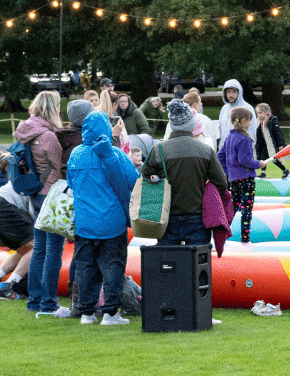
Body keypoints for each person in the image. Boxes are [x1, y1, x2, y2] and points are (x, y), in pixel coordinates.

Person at [67, 111, 139, 325]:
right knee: (113, 267)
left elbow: (71, 183)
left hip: (84, 222)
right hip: (112, 221)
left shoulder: (75, 154)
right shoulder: (114, 154)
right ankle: (110, 312)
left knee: (85, 268)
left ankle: (87, 312)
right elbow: (134, 181)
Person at [143, 99, 229, 246]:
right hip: (198, 217)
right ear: (191, 124)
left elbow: (145, 180)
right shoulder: (205, 150)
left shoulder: (158, 150)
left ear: (171, 125)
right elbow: (222, 184)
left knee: (168, 265)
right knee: (197, 264)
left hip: (167, 216)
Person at [15, 91, 67, 316]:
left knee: (40, 250)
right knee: (54, 251)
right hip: (50, 195)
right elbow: (59, 166)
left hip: (35, 193)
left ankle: (34, 300)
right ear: (52, 109)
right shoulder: (48, 137)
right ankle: (48, 304)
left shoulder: (26, 130)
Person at [0, 161, 36, 301]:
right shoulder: (38, 181)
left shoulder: (26, 175)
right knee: (39, 246)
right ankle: (9, 286)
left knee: (24, 249)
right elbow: (33, 211)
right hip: (3, 207)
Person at [218, 106, 268, 243]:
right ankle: (245, 239)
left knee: (232, 208)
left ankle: (221, 235)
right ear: (244, 120)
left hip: (234, 180)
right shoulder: (244, 139)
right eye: (250, 120)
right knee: (246, 211)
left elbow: (220, 156)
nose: (251, 123)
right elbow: (245, 160)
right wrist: (259, 164)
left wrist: (229, 172)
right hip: (246, 180)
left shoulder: (229, 137)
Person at [253, 103, 290, 179]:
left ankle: (285, 171)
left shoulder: (272, 120)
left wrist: (280, 144)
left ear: (267, 112)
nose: (259, 115)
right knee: (262, 158)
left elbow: (278, 133)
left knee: (273, 158)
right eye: (258, 113)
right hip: (263, 143)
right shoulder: (259, 121)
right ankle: (263, 173)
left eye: (260, 113)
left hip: (271, 143)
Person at [217, 79, 254, 146]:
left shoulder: (247, 108)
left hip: (242, 151)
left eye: (234, 92)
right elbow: (220, 129)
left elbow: (252, 131)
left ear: (239, 92)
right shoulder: (224, 108)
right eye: (228, 92)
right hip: (226, 151)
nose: (231, 95)